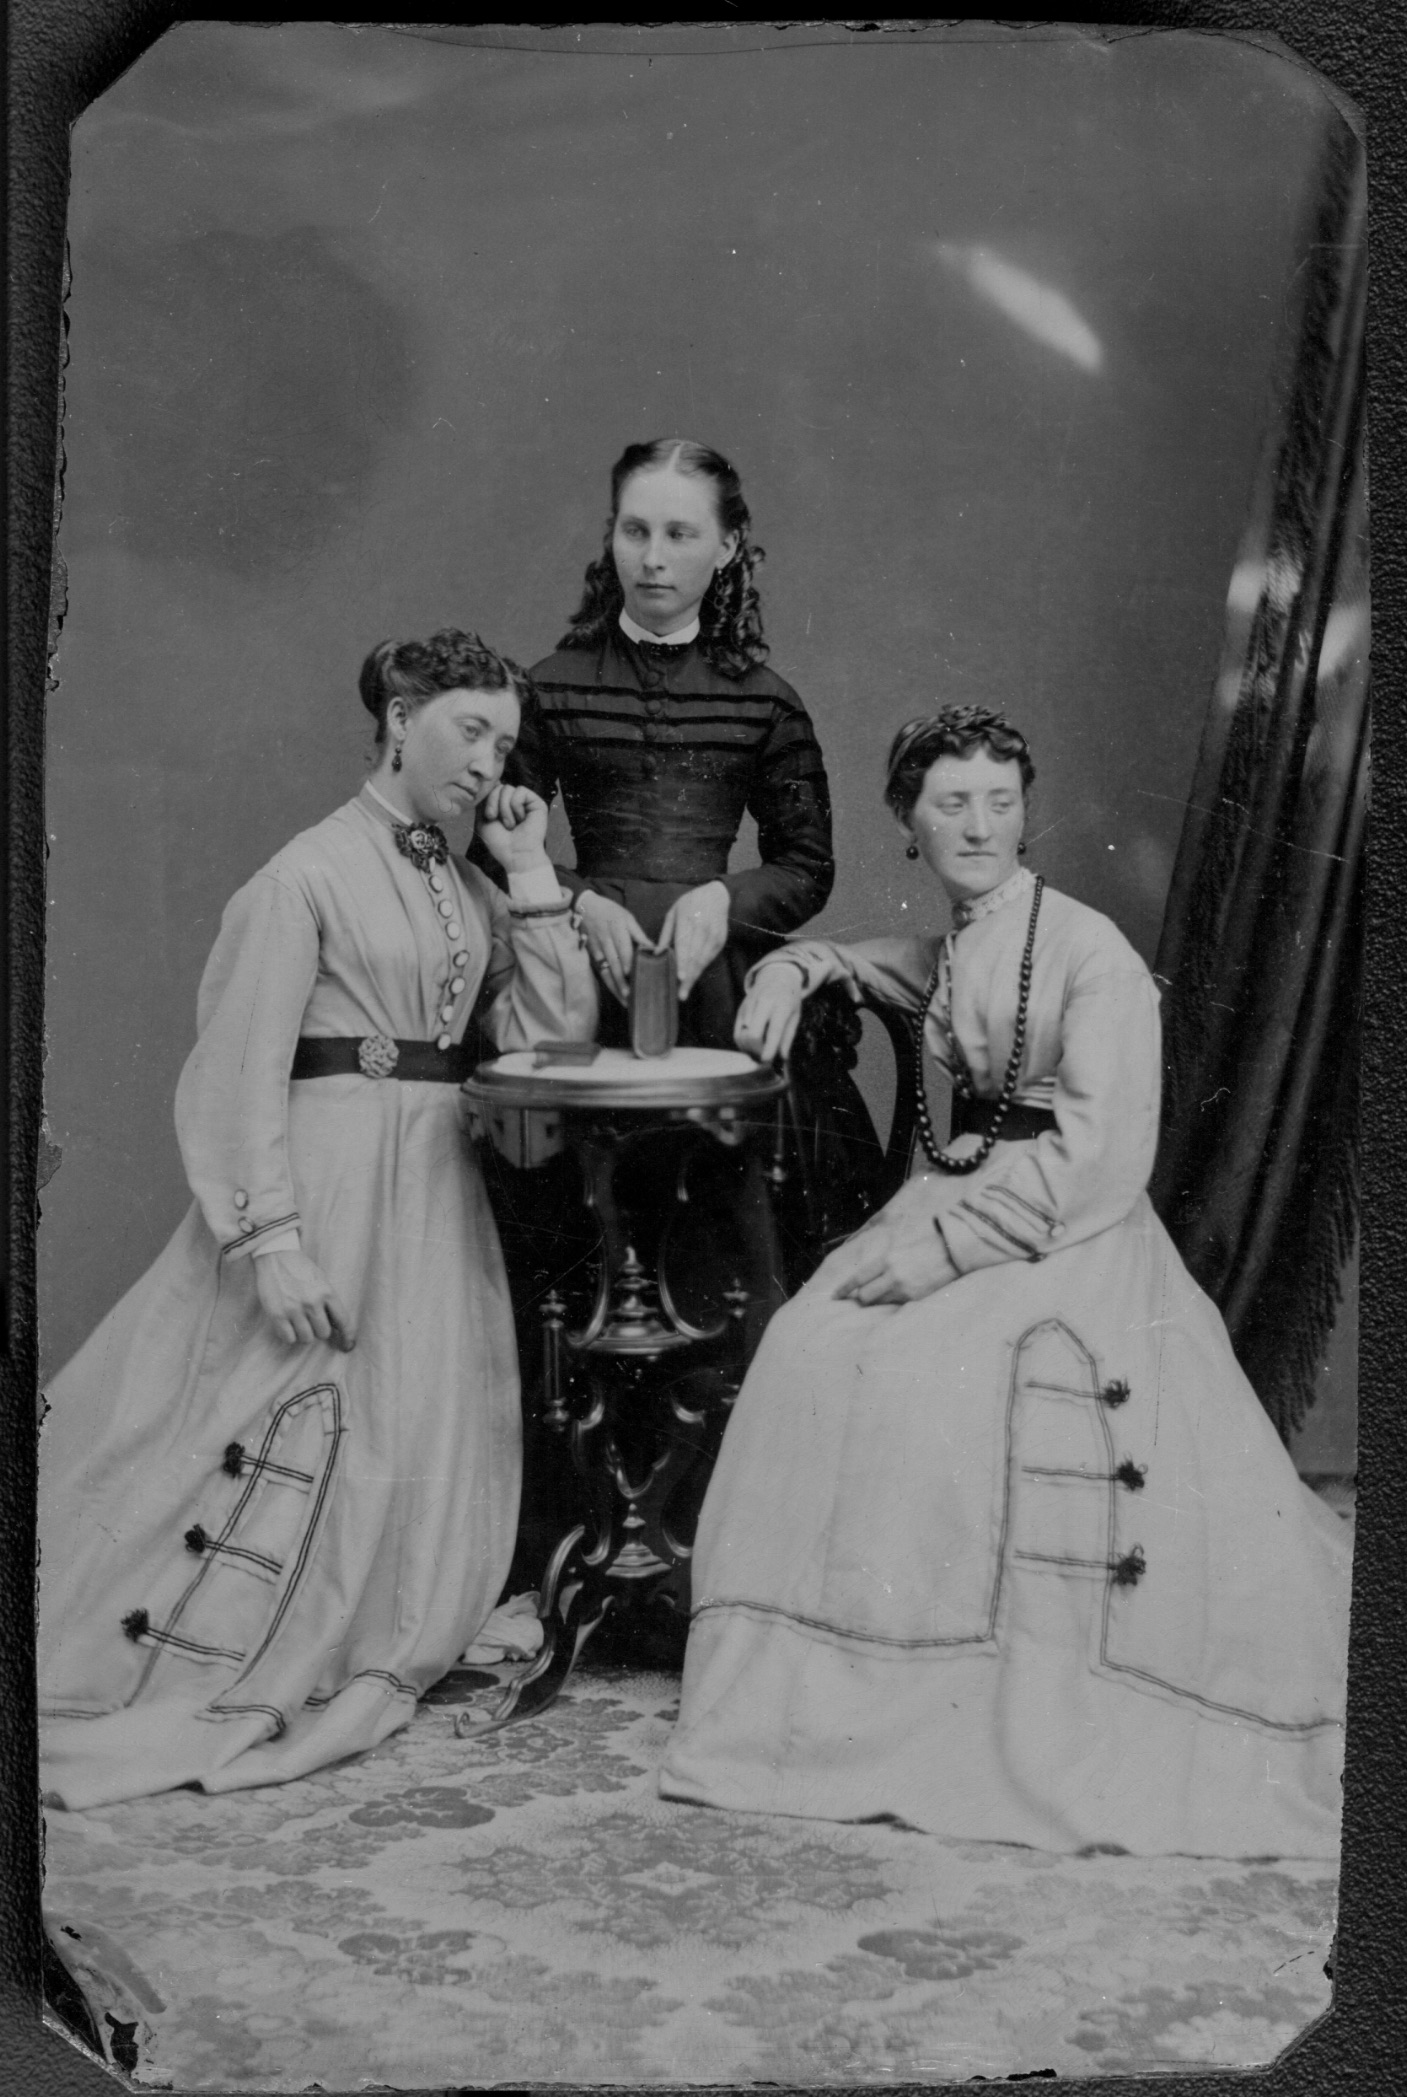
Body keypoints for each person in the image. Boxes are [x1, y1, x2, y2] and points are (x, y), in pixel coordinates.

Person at [659, 705, 1351, 1859]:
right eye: (949, 804)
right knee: (809, 1348)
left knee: (934, 1379)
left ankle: (961, 1697)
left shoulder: (1089, 954)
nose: (977, 826)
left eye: (997, 801)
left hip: (1062, 1234)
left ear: (1025, 812)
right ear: (908, 825)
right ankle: (820, 1697)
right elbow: (908, 971)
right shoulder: (970, 935)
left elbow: (1100, 1157)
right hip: (956, 1192)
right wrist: (795, 959)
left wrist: (933, 1252)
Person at [38, 629, 597, 1809]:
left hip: (438, 1183)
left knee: (417, 1419)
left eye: (505, 739)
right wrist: (269, 1238)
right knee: (262, 1417)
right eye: (468, 730)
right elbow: (235, 1069)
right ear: (400, 715)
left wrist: (532, 875)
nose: (490, 762)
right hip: (331, 1177)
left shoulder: (465, 881)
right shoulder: (302, 876)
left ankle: (365, 1636)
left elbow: (555, 1034)